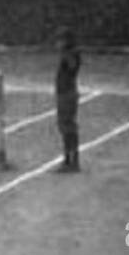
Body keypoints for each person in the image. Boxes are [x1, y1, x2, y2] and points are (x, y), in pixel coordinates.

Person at [53, 27, 82, 173]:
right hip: (65, 93)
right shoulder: (71, 53)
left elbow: (71, 67)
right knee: (65, 126)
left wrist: (65, 54)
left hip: (67, 94)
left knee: (67, 126)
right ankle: (70, 159)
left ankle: (71, 161)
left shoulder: (71, 54)